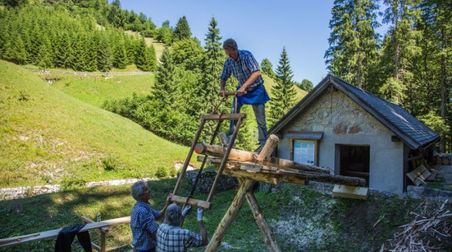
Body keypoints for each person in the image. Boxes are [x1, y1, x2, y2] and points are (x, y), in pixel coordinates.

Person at [220, 38, 270, 147]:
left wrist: (244, 86)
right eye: (226, 53)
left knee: (261, 121)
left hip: (257, 90)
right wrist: (222, 89)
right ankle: (230, 140)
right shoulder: (229, 62)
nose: (228, 55)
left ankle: (263, 145)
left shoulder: (246, 56)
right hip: (242, 91)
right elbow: (223, 76)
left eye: (230, 53)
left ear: (235, 49)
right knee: (234, 114)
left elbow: (256, 73)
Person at [130, 181, 179, 252]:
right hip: (145, 249)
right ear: (140, 195)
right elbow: (155, 231)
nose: (149, 191)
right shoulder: (142, 211)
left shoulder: (143, 206)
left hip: (143, 248)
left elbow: (158, 215)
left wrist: (167, 204)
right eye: (146, 190)